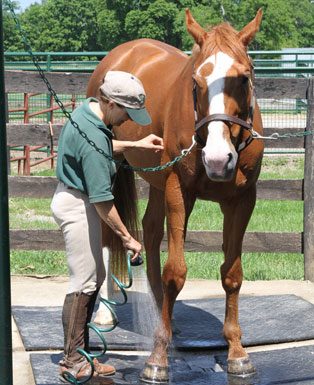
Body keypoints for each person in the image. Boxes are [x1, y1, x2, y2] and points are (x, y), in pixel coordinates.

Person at [51, 70, 164, 383]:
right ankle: (72, 361)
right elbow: (102, 200)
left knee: (96, 276)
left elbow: (102, 145)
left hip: (75, 199)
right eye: (126, 111)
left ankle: (83, 354)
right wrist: (128, 238)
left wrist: (134, 143)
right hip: (78, 205)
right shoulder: (95, 138)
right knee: (84, 282)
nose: (127, 118)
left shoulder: (87, 113)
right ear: (111, 103)